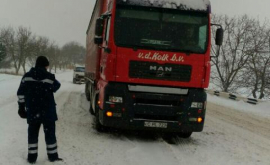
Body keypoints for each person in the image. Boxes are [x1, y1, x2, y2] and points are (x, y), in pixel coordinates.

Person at [17, 56, 63, 164]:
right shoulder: (49, 77)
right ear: (45, 65)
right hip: (48, 111)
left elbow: (20, 93)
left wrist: (21, 107)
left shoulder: (27, 77)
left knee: (32, 134)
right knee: (50, 134)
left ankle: (32, 158)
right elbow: (57, 86)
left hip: (33, 111)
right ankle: (53, 157)